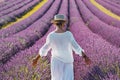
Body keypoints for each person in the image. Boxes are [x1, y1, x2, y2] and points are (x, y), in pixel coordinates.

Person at [32, 14, 91, 80]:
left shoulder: (51, 36)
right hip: (68, 62)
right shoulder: (68, 35)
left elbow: (44, 49)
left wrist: (36, 59)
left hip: (56, 62)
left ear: (54, 24)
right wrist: (85, 57)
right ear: (63, 24)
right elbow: (76, 47)